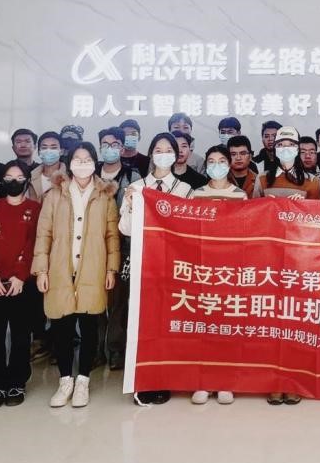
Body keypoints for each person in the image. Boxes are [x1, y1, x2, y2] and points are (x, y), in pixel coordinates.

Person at [34, 142, 119, 409]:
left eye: (87, 159)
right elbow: (44, 234)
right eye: (77, 159)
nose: (82, 163)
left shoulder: (105, 195)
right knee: (62, 328)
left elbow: (112, 236)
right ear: (69, 163)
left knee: (90, 326)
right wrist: (41, 269)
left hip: (93, 268)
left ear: (95, 162)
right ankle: (64, 381)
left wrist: (111, 269)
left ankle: (83, 380)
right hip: (60, 269)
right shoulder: (54, 194)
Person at [120, 132, 192, 405]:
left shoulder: (185, 190)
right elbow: (125, 229)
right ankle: (143, 379)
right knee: (143, 323)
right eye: (158, 150)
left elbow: (189, 231)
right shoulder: (137, 187)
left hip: (174, 266)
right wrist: (130, 205)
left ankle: (165, 376)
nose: (163, 154)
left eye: (168, 150)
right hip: (143, 265)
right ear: (151, 154)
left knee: (169, 322)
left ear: (176, 155)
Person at [0, 162, 41, 409]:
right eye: (9, 177)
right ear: (2, 180)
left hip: (22, 282)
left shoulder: (35, 209)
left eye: (20, 177)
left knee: (21, 334)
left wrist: (21, 276)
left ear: (27, 181)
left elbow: (34, 244)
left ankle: (17, 382)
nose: (14, 181)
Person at [186, 145, 246, 405]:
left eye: (222, 160)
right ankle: (203, 380)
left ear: (229, 164)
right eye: (211, 161)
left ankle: (225, 381)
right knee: (203, 326)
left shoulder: (240, 195)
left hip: (229, 270)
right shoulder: (196, 194)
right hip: (202, 269)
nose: (217, 165)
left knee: (227, 326)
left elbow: (246, 232)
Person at [95, 126, 142, 372]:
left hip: (123, 246)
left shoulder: (133, 177)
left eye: (115, 145)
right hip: (93, 245)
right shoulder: (90, 174)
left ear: (122, 148)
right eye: (105, 144)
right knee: (94, 298)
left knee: (118, 301)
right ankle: (95, 350)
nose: (110, 149)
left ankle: (116, 349)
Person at [259, 127, 320, 201]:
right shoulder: (262, 178)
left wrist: (303, 204)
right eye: (303, 152)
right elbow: (254, 207)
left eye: (311, 152)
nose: (307, 156)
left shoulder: (317, 181)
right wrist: (264, 203)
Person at [226, 135, 264, 199]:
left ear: (250, 156)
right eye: (233, 154)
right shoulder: (221, 181)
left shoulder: (260, 181)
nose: (238, 158)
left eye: (243, 153)